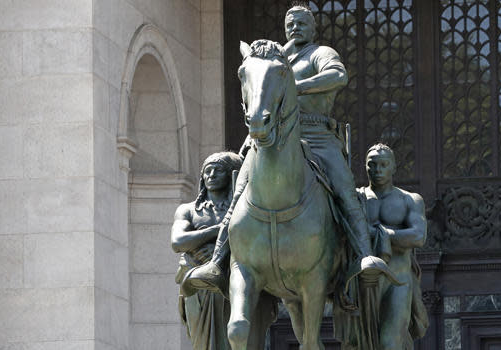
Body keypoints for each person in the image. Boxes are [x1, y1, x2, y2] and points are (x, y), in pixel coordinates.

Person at [181, 4, 399, 297]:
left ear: (313, 28)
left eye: (301, 22)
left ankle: (363, 256)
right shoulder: (275, 57)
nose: (294, 27)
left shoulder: (321, 53)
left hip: (318, 134)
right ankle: (218, 263)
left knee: (345, 190)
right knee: (238, 194)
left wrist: (295, 86)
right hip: (273, 136)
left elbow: (338, 76)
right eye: (290, 23)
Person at [358, 144, 429, 349]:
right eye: (372, 165)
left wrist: (382, 234)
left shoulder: (410, 200)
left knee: (389, 343)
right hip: (364, 282)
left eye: (383, 165)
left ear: (394, 167)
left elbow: (418, 236)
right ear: (365, 167)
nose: (377, 170)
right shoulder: (356, 198)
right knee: (361, 345)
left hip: (398, 280)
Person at [171, 152, 242, 350]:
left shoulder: (241, 209)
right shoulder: (188, 210)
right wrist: (219, 230)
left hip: (231, 283)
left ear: (231, 175)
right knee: (202, 344)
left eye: (217, 170)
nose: (211, 175)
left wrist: (219, 251)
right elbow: (177, 242)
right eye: (207, 171)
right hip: (196, 284)